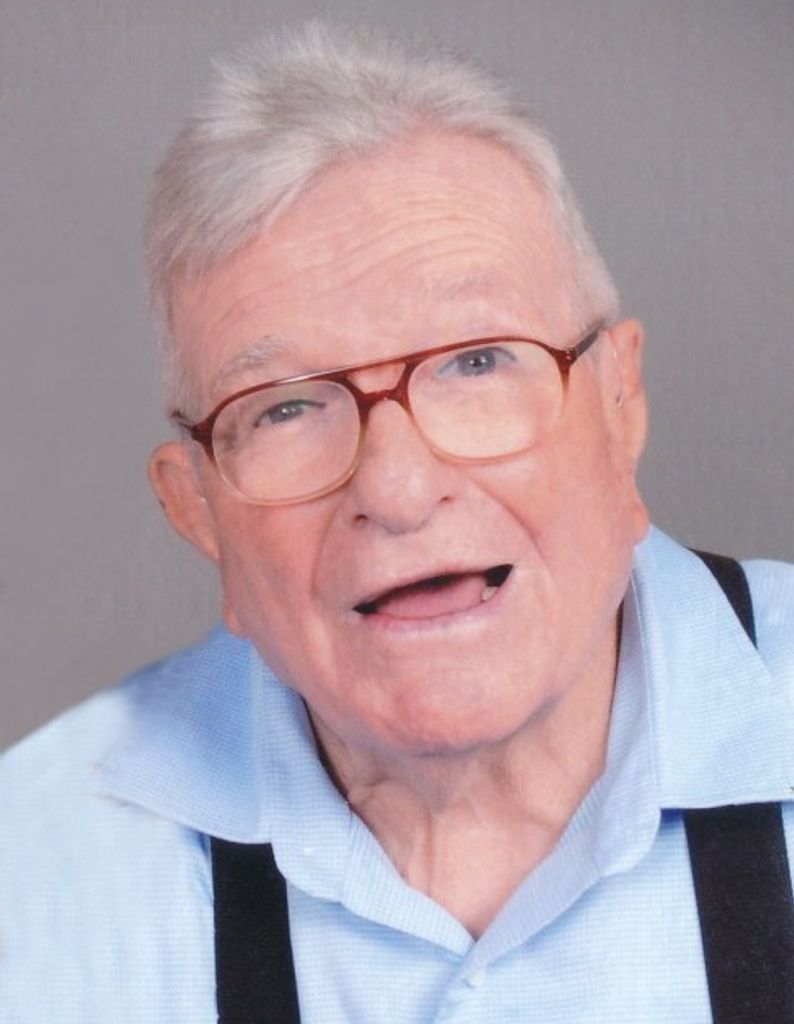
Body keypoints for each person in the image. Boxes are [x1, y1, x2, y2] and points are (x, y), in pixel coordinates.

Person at [2, 22, 792, 1024]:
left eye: (475, 361)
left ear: (619, 401)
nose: (399, 488)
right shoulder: (35, 878)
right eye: (286, 407)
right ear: (197, 509)